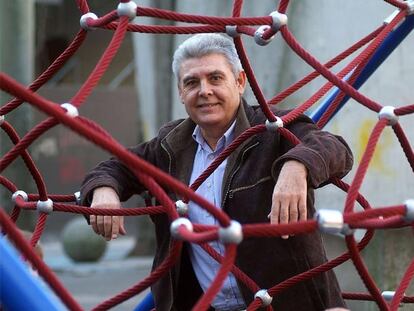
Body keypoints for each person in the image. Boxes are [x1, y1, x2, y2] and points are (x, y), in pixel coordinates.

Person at [80, 33, 353, 311]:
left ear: (240, 81)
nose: (204, 91)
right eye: (191, 82)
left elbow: (334, 147)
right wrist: (104, 190)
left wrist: (296, 165)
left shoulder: (272, 129)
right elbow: (117, 166)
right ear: (180, 92)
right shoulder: (171, 146)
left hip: (286, 303)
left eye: (215, 78)